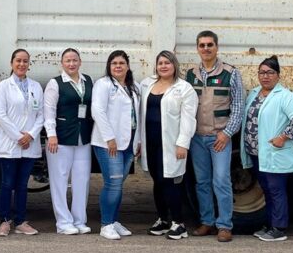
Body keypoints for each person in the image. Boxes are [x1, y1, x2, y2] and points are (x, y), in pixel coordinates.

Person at [185, 31, 245, 242]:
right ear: (197, 48)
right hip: (197, 138)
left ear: (217, 47)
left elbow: (238, 107)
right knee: (202, 182)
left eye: (210, 44)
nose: (206, 48)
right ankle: (207, 222)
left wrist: (227, 134)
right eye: (202, 45)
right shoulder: (191, 74)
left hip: (219, 139)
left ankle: (225, 225)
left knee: (221, 181)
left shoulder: (231, 73)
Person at [240, 55, 293, 242]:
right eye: (262, 72)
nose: (265, 76)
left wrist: (283, 137)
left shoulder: (285, 96)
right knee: (267, 190)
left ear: (278, 75)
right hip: (256, 153)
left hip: (274, 152)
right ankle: (269, 225)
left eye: (270, 72)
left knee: (276, 190)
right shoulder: (254, 93)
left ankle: (279, 228)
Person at [138, 50, 197, 240]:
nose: (163, 66)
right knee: (157, 180)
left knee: (169, 181)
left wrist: (183, 144)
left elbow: (188, 119)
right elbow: (139, 115)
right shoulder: (147, 85)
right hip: (151, 142)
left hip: (171, 144)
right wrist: (138, 141)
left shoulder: (184, 88)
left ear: (174, 65)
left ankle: (179, 223)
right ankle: (163, 219)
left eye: (167, 63)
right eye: (160, 63)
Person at [0, 49, 44, 237]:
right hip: (9, 143)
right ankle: (5, 221)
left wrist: (30, 135)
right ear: (11, 63)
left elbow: (41, 115)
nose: (22, 64)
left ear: (29, 64)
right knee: (7, 183)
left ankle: (21, 221)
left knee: (22, 184)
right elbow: (1, 115)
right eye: (18, 61)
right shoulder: (3, 86)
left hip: (29, 143)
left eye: (25, 61)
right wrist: (18, 137)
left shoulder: (36, 87)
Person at [91, 50, 141, 240]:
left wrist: (139, 141)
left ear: (127, 66)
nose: (118, 66)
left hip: (128, 143)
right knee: (113, 183)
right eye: (114, 63)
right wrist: (109, 138)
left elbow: (139, 115)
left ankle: (114, 220)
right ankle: (106, 224)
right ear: (109, 66)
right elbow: (97, 111)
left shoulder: (134, 86)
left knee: (118, 184)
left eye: (121, 63)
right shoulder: (103, 84)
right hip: (108, 143)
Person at [43, 48, 95, 235]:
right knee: (60, 180)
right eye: (68, 60)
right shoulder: (55, 83)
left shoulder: (88, 80)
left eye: (74, 60)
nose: (71, 64)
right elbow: (49, 111)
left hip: (83, 138)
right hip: (61, 138)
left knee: (82, 180)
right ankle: (63, 222)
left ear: (80, 62)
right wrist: (51, 135)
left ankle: (79, 220)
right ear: (62, 63)